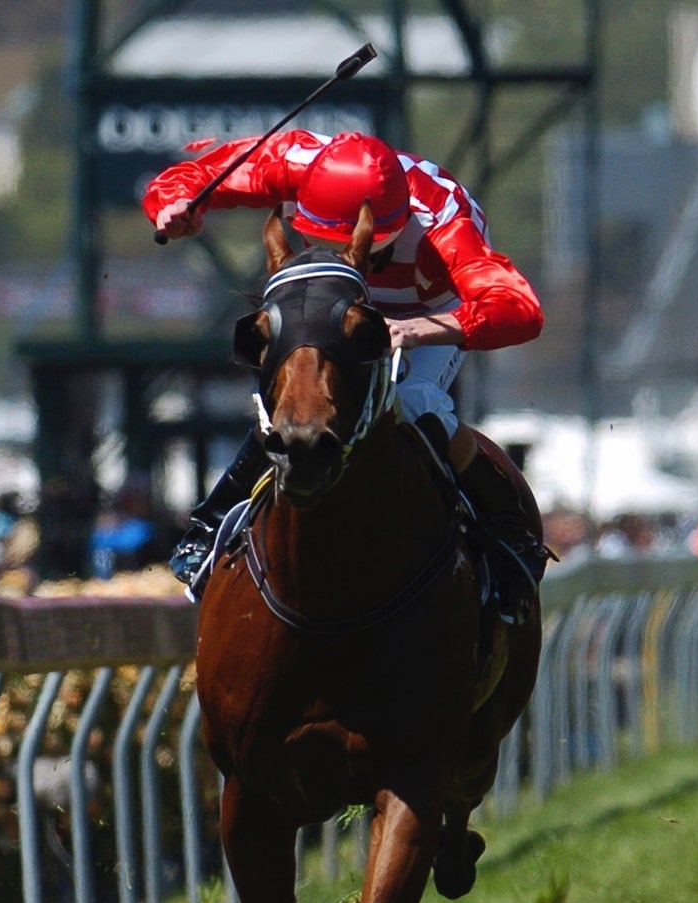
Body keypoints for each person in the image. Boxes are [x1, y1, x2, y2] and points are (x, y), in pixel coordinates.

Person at [144, 129, 548, 621]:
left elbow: (519, 309)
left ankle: (508, 531)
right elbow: (187, 178)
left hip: (424, 310)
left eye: (359, 246)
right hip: (329, 299)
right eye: (325, 239)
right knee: (292, 394)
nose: (347, 251)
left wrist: (420, 329)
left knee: (414, 400)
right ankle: (210, 525)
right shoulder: (290, 161)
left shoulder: (443, 218)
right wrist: (176, 207)